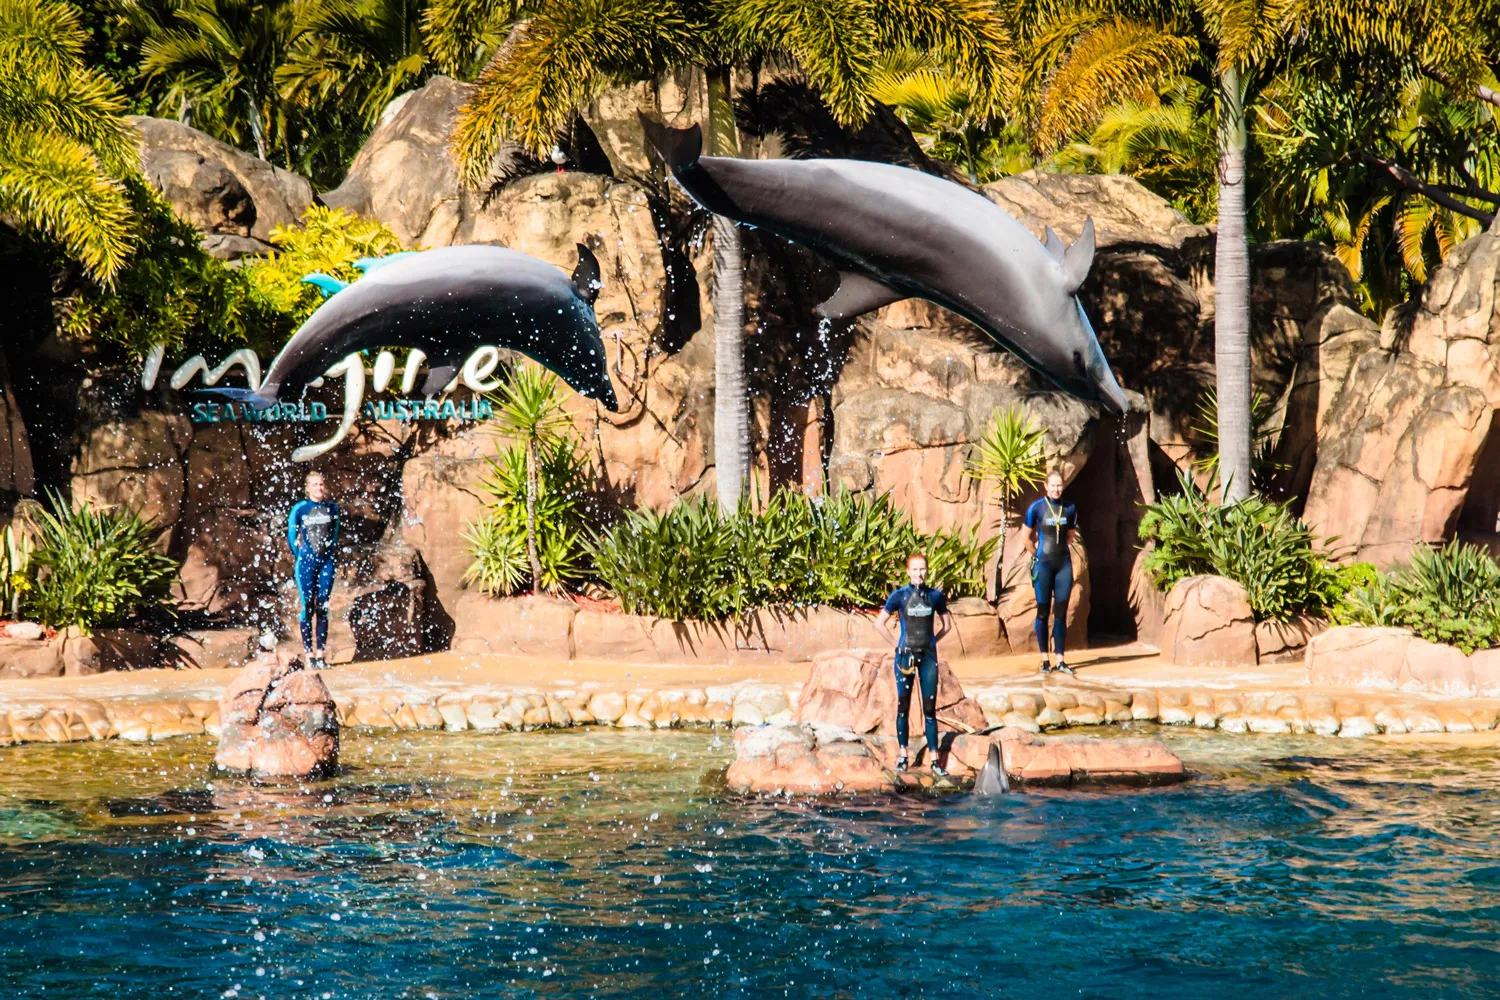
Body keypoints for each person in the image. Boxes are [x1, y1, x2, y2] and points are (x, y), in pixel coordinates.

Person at [875, 553, 955, 775]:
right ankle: (903, 756)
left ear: (927, 570)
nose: (920, 574)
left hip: (928, 657)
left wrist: (932, 642)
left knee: (929, 710)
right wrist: (897, 646)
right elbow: (879, 624)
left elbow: (947, 625)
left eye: (923, 569)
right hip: (905, 657)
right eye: (915, 570)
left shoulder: (935, 596)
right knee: (903, 707)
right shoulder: (899, 596)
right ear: (908, 572)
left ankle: (935, 760)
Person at [1024, 469, 1078, 675]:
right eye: (1053, 485)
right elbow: (1026, 537)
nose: (1056, 489)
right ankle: (1045, 659)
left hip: (1063, 564)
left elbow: (1070, 536)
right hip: (1044, 564)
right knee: (1043, 611)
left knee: (1061, 612)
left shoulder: (1070, 508)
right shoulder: (1036, 508)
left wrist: (1059, 553)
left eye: (1059, 485)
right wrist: (1037, 556)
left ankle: (1060, 660)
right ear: (1046, 486)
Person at [287, 472, 339, 669]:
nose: (319, 488)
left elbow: (334, 535)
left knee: (323, 606)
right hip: (306, 563)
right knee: (308, 606)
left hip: (327, 562)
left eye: (321, 484)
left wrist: (329, 556)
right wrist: (301, 556)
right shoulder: (300, 509)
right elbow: (292, 537)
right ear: (308, 488)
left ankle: (321, 656)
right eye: (315, 485)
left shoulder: (333, 508)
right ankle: (309, 655)